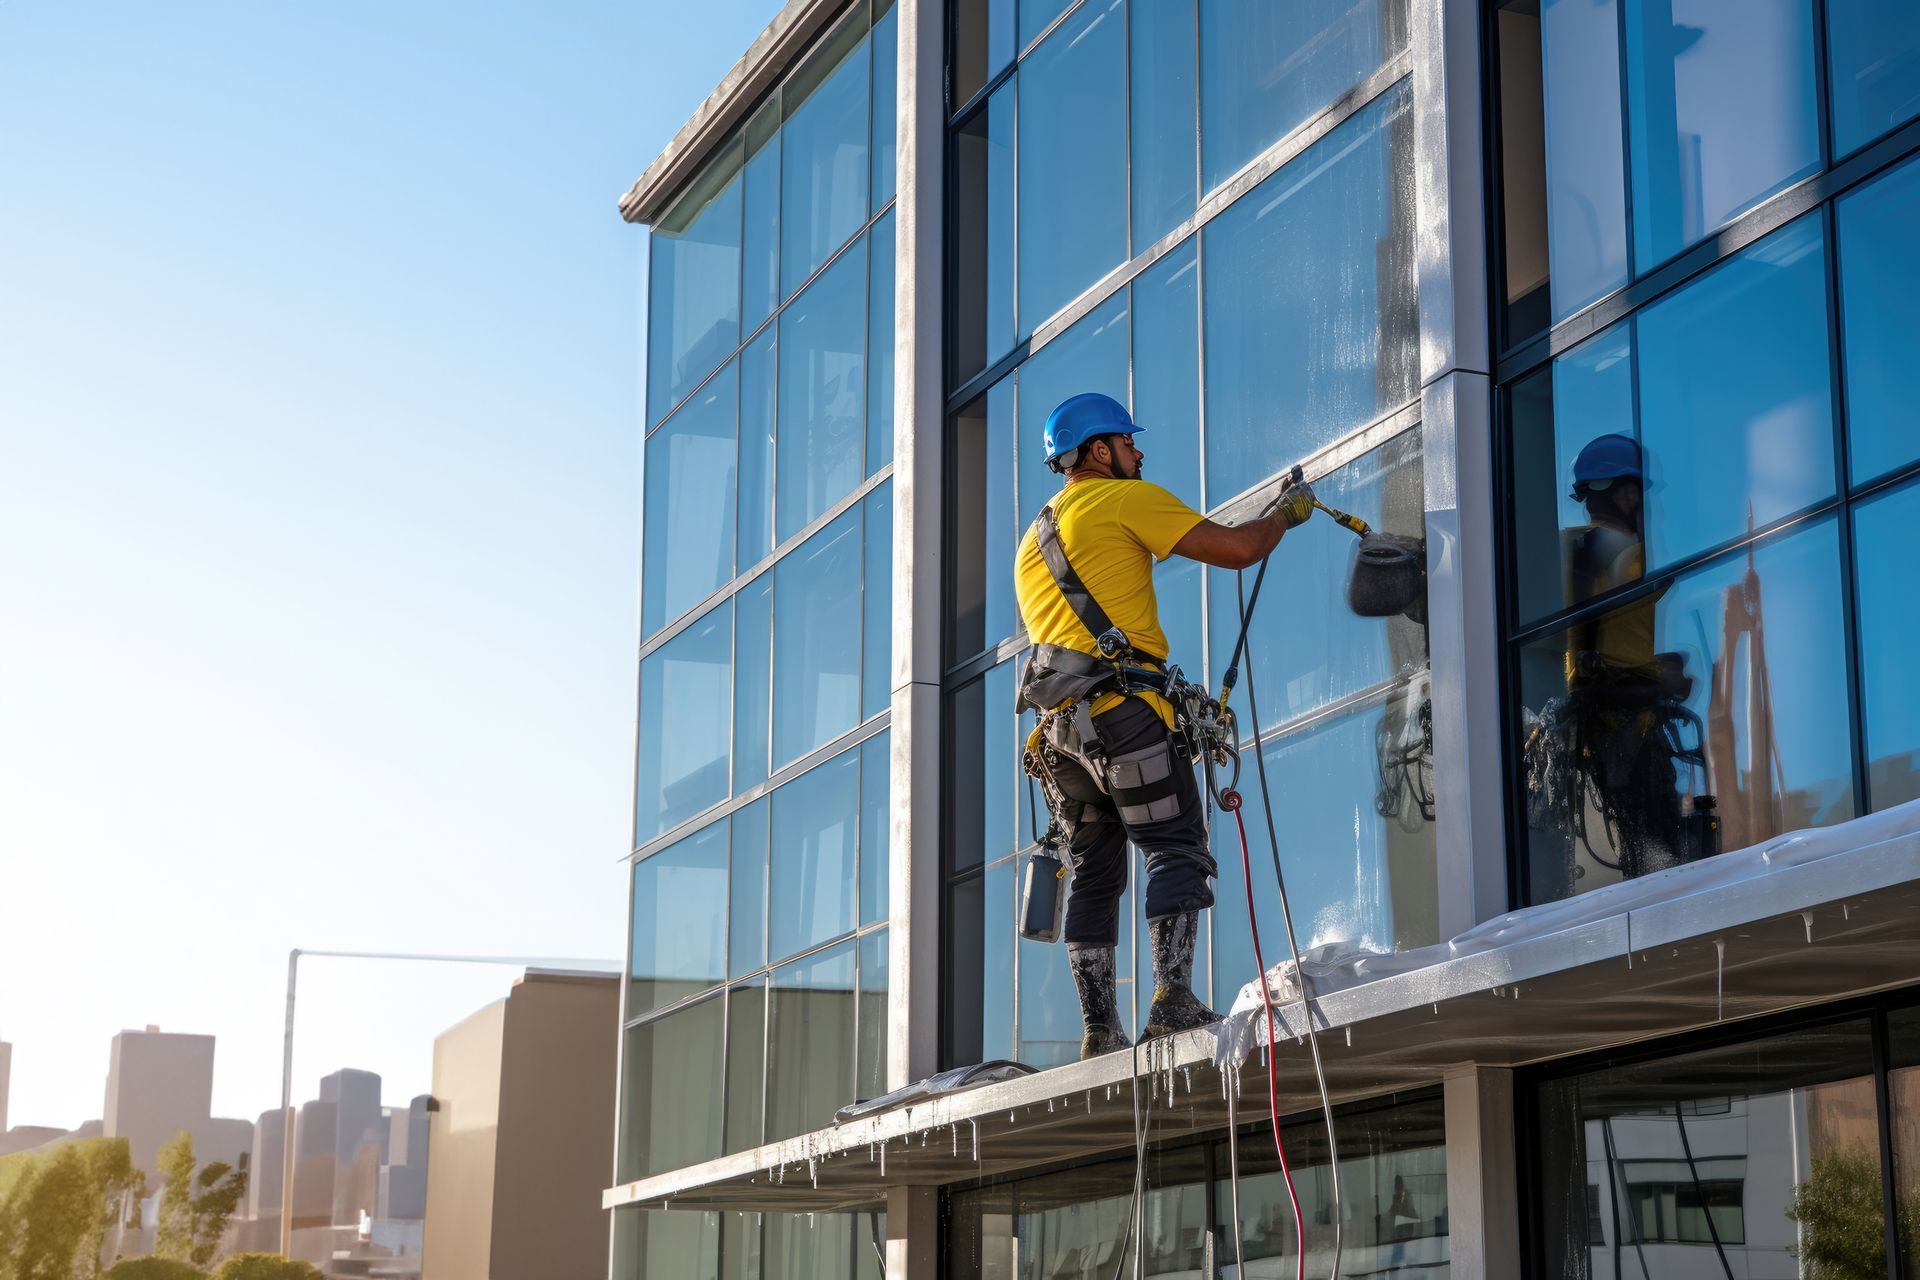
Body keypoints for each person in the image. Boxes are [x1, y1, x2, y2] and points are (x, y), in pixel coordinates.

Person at [1014, 391, 1314, 1059]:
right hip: (1124, 716)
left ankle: (1099, 1030)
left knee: (1095, 873)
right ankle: (1172, 999)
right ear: (1098, 452)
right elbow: (1237, 550)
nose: (1138, 452)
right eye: (1127, 443)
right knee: (1174, 847)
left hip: (1061, 739)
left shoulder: (1034, 538)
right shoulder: (1119, 500)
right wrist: (1284, 517)